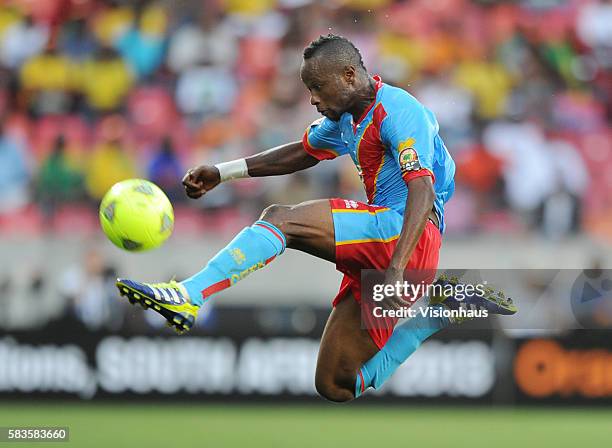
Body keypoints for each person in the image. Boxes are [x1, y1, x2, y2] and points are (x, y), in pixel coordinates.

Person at [116, 34, 516, 402]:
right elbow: (301, 152)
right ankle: (437, 314)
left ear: (347, 76)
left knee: (280, 218)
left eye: (317, 87)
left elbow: (422, 190)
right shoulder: (344, 119)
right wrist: (224, 171)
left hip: (405, 236)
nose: (312, 99)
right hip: (394, 252)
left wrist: (395, 271)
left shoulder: (398, 110)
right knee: (336, 384)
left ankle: (189, 295)